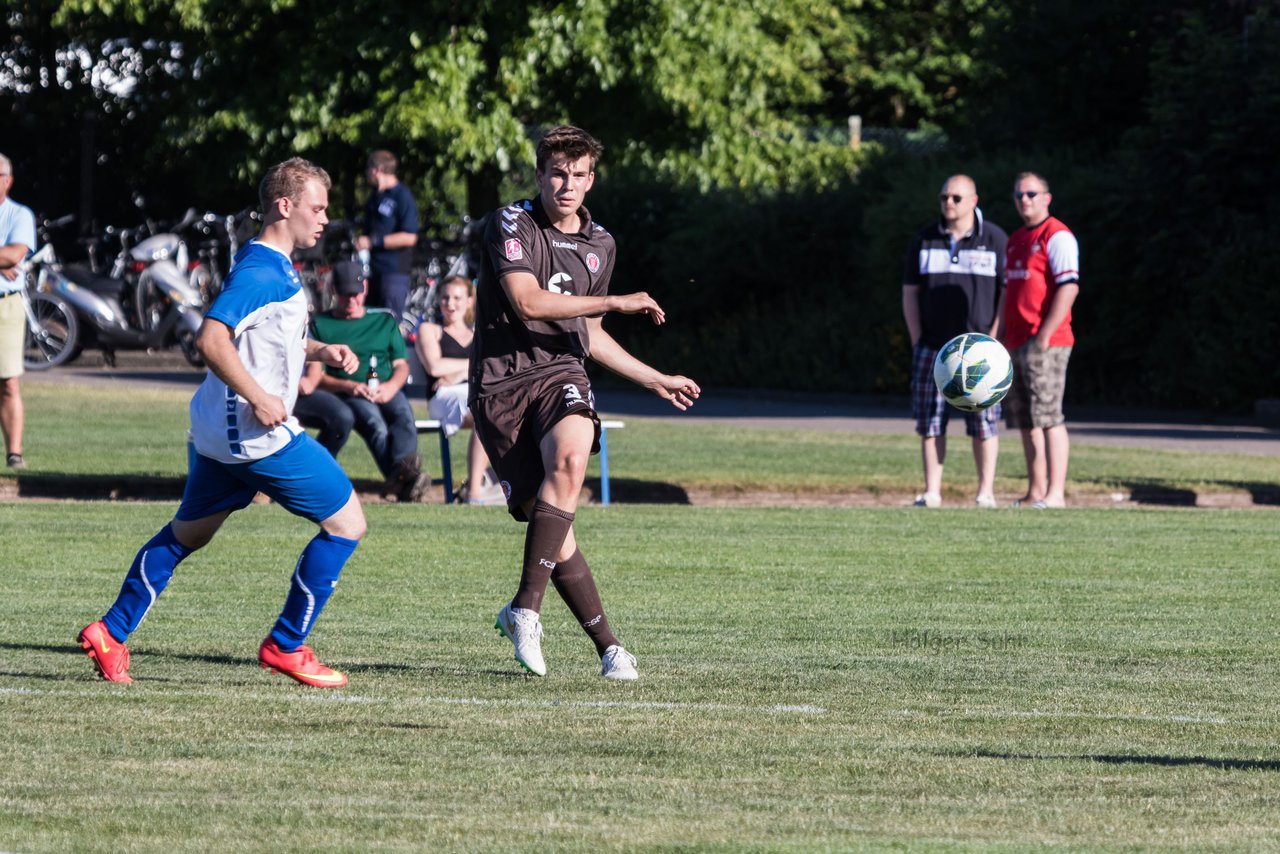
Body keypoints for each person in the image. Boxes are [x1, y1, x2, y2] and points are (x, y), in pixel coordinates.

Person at [78, 157, 367, 687]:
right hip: (254, 437)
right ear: (285, 206)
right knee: (347, 523)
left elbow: (267, 340)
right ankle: (286, 645)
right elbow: (212, 339)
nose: (325, 219)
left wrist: (322, 350)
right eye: (317, 207)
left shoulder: (272, 265)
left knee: (186, 535)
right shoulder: (262, 271)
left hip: (218, 435)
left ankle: (111, 631)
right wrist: (259, 397)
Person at [472, 125, 700, 681]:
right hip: (501, 384)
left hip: (561, 373)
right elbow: (527, 301)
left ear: (591, 179)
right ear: (538, 174)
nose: (566, 185)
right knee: (556, 530)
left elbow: (588, 333)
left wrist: (653, 378)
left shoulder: (601, 245)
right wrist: (617, 300)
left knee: (573, 460)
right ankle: (608, 646)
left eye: (578, 175)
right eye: (556, 173)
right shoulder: (511, 223)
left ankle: (526, 610)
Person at [902, 174, 1009, 508]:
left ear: (974, 201)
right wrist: (917, 338)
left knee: (984, 422)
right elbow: (909, 292)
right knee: (930, 421)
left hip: (980, 353)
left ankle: (985, 492)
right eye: (944, 197)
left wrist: (994, 336)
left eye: (956, 198)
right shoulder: (925, 239)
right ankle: (932, 491)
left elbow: (1007, 292)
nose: (949, 203)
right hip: (934, 348)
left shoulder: (993, 239)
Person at [310, 260, 432, 502]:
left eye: (355, 294)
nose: (351, 300)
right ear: (334, 291)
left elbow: (401, 365)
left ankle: (402, 476)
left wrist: (390, 387)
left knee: (402, 414)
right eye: (345, 295)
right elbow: (318, 378)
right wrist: (351, 386)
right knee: (374, 422)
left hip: (385, 387)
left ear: (364, 288)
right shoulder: (320, 324)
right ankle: (406, 480)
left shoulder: (384, 320)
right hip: (348, 392)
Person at [1001, 171, 1080, 508]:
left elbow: (1069, 286)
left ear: (1047, 197)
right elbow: (1008, 292)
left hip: (1046, 341)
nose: (1025, 200)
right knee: (1025, 419)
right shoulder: (1016, 238)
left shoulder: (1057, 235)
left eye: (1031, 194)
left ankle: (1055, 493)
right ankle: (1035, 490)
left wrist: (1046, 333)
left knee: (1049, 416)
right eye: (1019, 195)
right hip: (1017, 340)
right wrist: (1000, 336)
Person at [414, 275, 502, 504]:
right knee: (485, 412)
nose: (450, 304)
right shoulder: (430, 330)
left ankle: (486, 483)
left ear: (469, 301)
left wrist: (459, 373)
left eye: (456, 298)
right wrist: (474, 367)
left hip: (476, 394)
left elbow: (496, 366)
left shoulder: (480, 333)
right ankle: (473, 493)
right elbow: (434, 366)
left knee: (504, 413)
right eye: (445, 298)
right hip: (444, 397)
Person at [0, 152, 37, 470]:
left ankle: (14, 453)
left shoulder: (19, 214)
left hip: (5, 306)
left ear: (8, 180)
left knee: (9, 381)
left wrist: (8, 260)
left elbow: (14, 255)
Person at [355, 150, 418, 324]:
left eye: (368, 169)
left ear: (377, 169)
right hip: (372, 271)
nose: (367, 174)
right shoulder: (374, 197)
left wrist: (373, 242)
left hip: (393, 272)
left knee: (390, 324)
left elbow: (410, 237)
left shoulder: (402, 196)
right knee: (370, 321)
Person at [293, 358, 354, 459]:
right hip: (272, 393)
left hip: (302, 393)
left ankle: (320, 463)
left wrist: (310, 380)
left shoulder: (302, 341)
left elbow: (314, 360)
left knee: (341, 416)